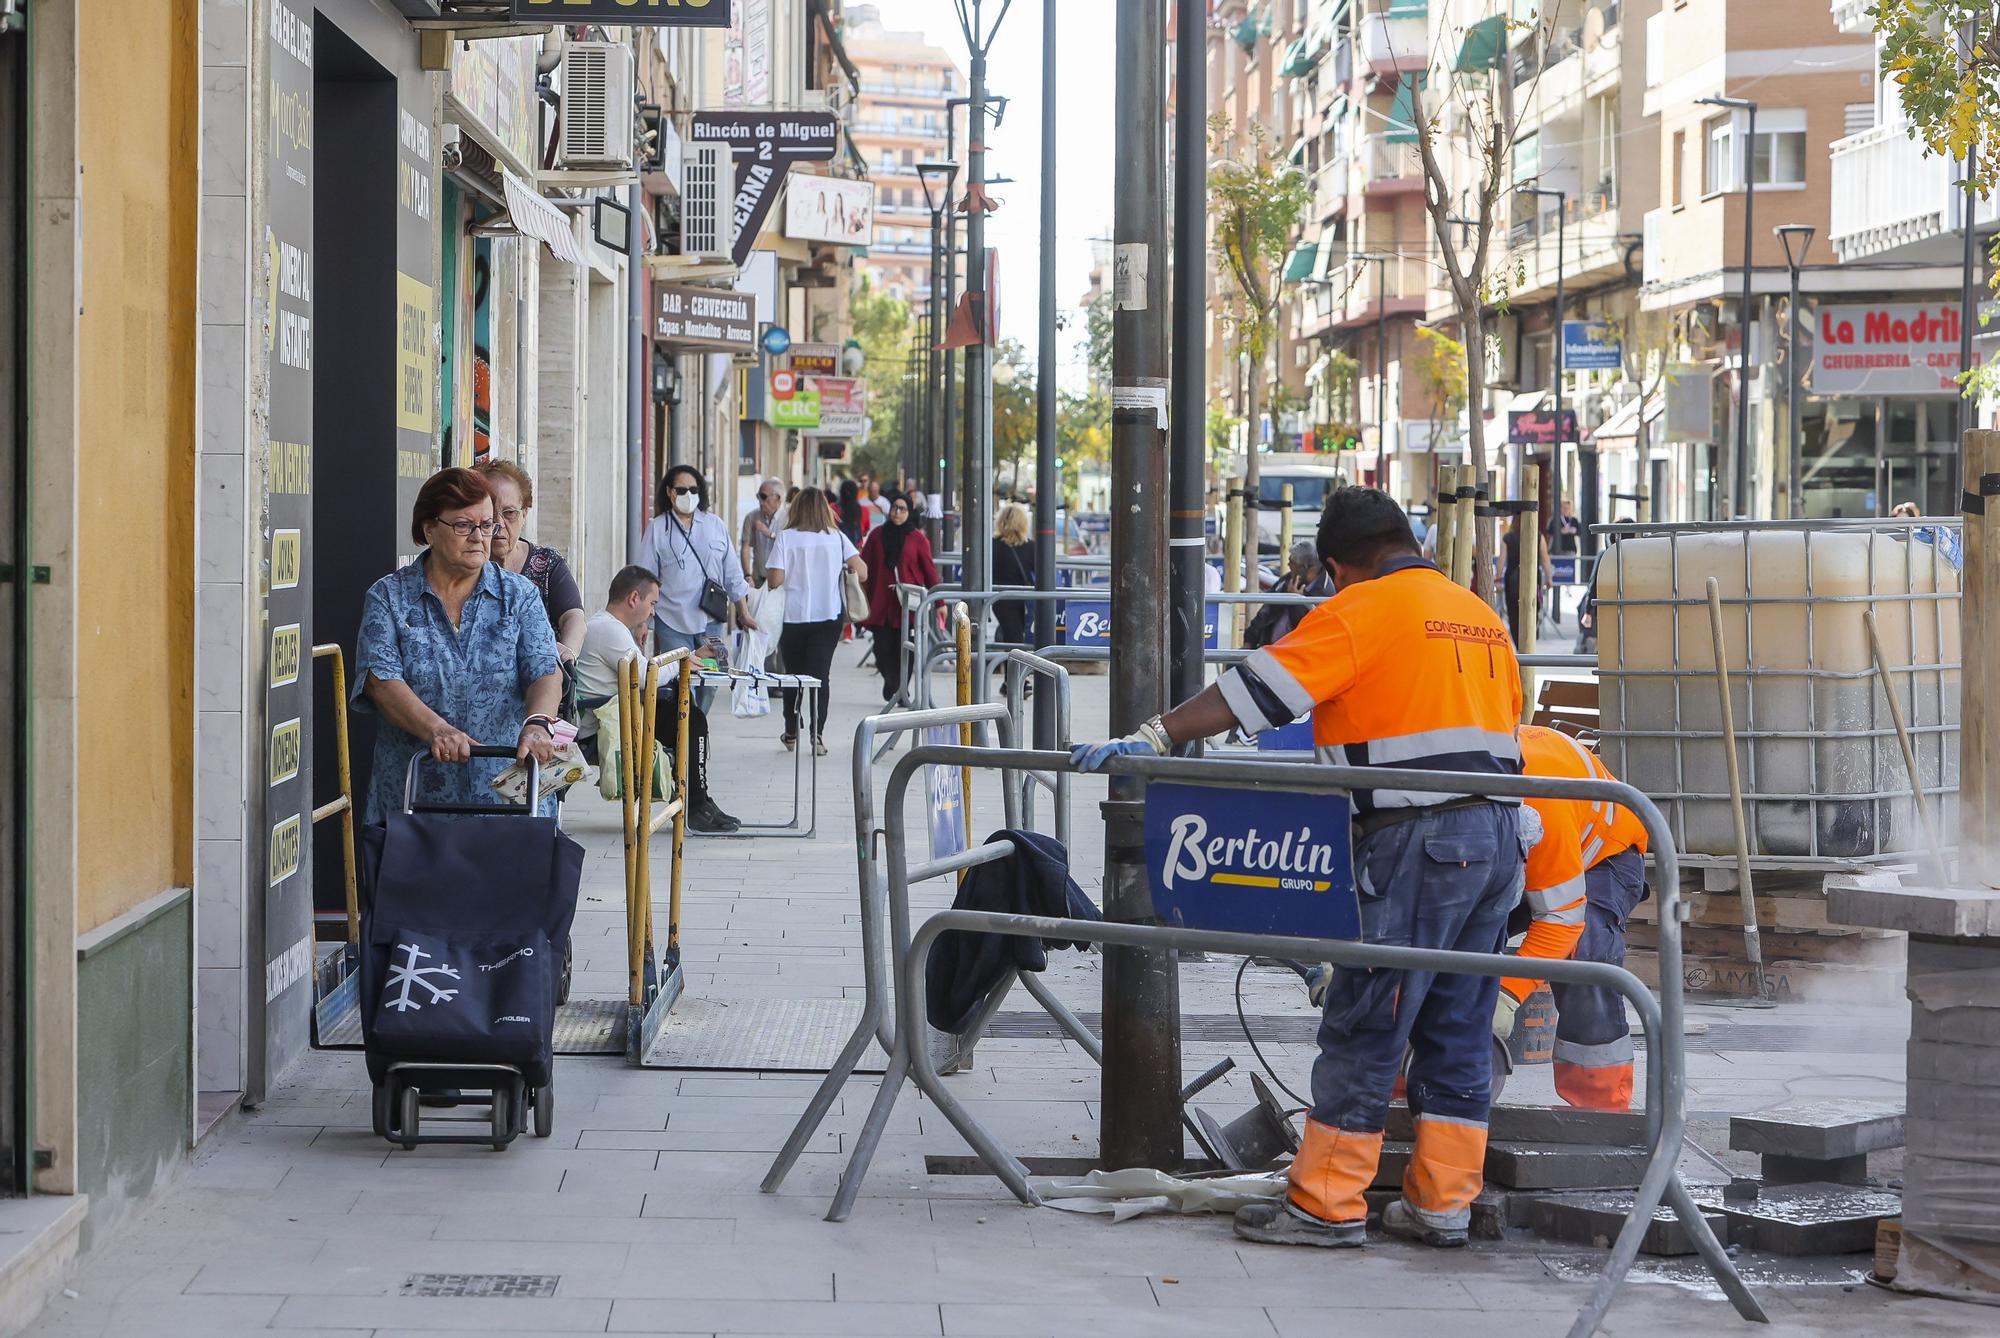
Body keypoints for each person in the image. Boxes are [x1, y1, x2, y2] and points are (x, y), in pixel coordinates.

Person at [1071, 488, 1524, 1250]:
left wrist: (1158, 732)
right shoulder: (1477, 614)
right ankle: (1444, 1201)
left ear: (1342, 565)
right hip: (1499, 838)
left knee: (1369, 1016)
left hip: (1417, 838)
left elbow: (1260, 691)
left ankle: (1325, 1202)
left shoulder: (1364, 607)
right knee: (1458, 1027)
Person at [352, 468, 561, 823]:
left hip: (506, 801)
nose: (479, 537)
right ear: (429, 529)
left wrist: (538, 723)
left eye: (487, 524)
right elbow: (380, 681)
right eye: (464, 525)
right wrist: (437, 730)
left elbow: (543, 668)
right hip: (415, 803)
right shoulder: (389, 597)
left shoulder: (519, 596)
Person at [1496, 726, 1649, 1110]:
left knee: (1586, 953)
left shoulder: (1539, 798)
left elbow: (1561, 918)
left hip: (1600, 856)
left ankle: (1598, 1104)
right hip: (1510, 850)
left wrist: (1507, 994)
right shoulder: (1429, 789)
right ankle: (1399, 1088)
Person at [572, 566, 738, 832]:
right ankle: (695, 804)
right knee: (691, 720)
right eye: (652, 603)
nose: (653, 612)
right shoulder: (607, 629)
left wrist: (689, 656)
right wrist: (687, 659)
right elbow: (647, 676)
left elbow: (641, 671)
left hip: (619, 712)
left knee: (686, 714)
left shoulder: (610, 627)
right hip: (607, 722)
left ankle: (697, 801)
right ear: (633, 598)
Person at [638, 463, 757, 713]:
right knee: (681, 680)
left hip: (712, 620)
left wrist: (744, 613)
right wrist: (642, 624)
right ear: (670, 492)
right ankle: (685, 738)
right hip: (672, 621)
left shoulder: (715, 525)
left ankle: (697, 726)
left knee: (711, 682)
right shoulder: (658, 529)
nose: (688, 495)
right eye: (682, 490)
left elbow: (732, 573)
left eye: (694, 489)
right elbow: (645, 579)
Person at [765, 489, 865, 756]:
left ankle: (790, 730)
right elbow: (863, 572)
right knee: (820, 677)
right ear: (824, 509)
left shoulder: (786, 538)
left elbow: (774, 580)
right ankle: (817, 735)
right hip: (827, 617)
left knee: (793, 676)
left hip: (793, 619)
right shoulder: (838, 538)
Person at [476, 459, 587, 663]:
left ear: (524, 514)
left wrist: (567, 653)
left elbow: (573, 616)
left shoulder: (547, 563)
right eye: (490, 514)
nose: (499, 523)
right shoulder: (469, 564)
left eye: (509, 513)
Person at [858, 490, 940, 703]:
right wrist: (861, 595)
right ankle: (892, 682)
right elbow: (864, 567)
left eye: (902, 509)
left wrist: (939, 602)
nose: (897, 512)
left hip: (908, 605)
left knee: (907, 650)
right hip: (881, 604)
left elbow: (929, 571)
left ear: (909, 512)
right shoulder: (877, 536)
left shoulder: (917, 539)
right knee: (882, 648)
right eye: (894, 508)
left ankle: (900, 690)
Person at [1243, 539, 1332, 649]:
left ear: (1303, 567)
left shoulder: (1325, 592)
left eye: (1292, 562)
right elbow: (1265, 611)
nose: (1288, 564)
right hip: (1267, 649)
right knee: (1231, 663)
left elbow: (1306, 631)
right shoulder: (1287, 581)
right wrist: (1250, 640)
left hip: (1296, 654)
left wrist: (1296, 602)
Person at [992, 502, 1036, 649]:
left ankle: (1008, 668)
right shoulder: (1030, 547)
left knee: (1011, 637)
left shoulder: (993, 545)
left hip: (1000, 598)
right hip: (1024, 599)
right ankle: (1013, 671)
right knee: (1016, 637)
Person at [1502, 515, 1552, 645]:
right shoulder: (1537, 536)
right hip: (1533, 578)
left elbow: (1501, 561)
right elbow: (1545, 558)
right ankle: (1529, 643)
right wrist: (1549, 578)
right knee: (1532, 608)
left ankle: (1519, 645)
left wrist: (1497, 578)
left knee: (1513, 612)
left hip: (1511, 580)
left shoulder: (1507, 538)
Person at [741, 477, 784, 586]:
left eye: (764, 497)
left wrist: (770, 534)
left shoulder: (789, 518)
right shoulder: (752, 517)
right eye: (758, 496)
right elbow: (745, 547)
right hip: (758, 579)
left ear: (778, 498)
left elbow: (791, 546)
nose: (760, 501)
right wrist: (747, 575)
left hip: (781, 581)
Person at [836, 478, 867, 545]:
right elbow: (865, 530)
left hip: (838, 549)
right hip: (856, 551)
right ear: (856, 492)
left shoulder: (833, 509)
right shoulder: (863, 510)